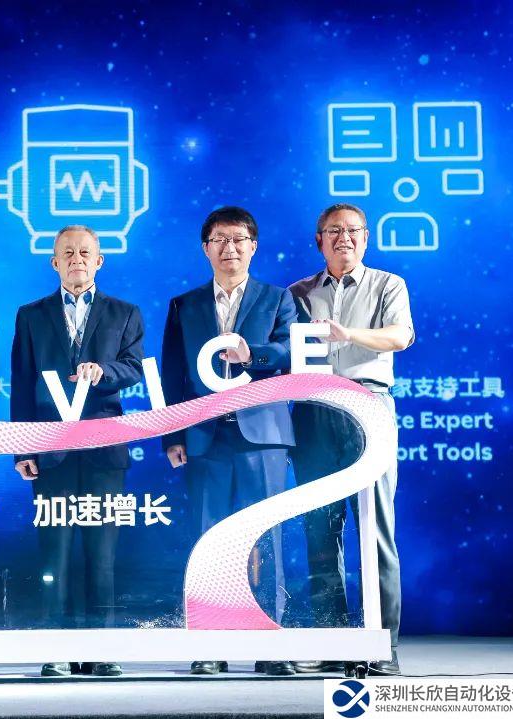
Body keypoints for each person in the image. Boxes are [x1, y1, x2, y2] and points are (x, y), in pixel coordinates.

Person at [161, 206, 299, 677]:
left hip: (262, 435)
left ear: (253, 246)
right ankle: (210, 643)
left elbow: (289, 353)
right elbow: (174, 374)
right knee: (207, 538)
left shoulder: (277, 298)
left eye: (239, 239)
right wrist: (173, 434)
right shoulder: (184, 304)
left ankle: (271, 643)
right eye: (220, 239)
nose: (230, 248)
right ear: (206, 248)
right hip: (204, 436)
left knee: (268, 537)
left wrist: (250, 354)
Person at [11, 225, 144, 678]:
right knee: (55, 553)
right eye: (67, 253)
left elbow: (134, 368)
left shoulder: (125, 313)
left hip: (105, 449)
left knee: (102, 554)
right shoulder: (31, 315)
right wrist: (21, 449)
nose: (77, 260)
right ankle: (57, 648)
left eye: (85, 252)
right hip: (51, 451)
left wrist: (103, 371)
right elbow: (21, 386)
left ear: (99, 260)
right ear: (54, 262)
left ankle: (101, 649)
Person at [289, 203, 414, 677]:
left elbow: (400, 336)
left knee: (376, 528)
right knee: (320, 530)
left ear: (366, 238)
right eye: (334, 231)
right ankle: (333, 639)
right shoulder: (297, 293)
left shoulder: (388, 285)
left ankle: (382, 644)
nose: (344, 237)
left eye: (353, 230)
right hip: (315, 411)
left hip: (368, 406)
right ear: (318, 240)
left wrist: (348, 335)